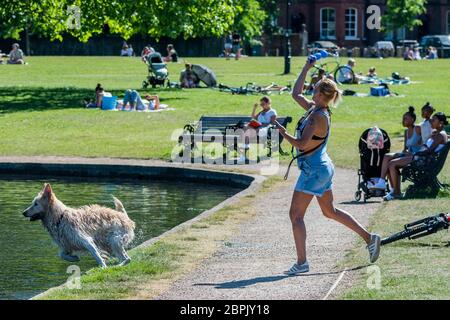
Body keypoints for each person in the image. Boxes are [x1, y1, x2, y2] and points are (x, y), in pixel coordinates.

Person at [274, 58, 381, 275]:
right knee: (329, 211)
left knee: (296, 215)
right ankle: (370, 238)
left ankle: (302, 263)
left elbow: (302, 144)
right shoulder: (316, 110)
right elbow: (295, 94)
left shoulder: (316, 117)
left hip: (314, 170)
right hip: (321, 167)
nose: (311, 90)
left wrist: (282, 133)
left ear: (322, 95)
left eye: (315, 89)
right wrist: (306, 67)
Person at [368, 107, 422, 199]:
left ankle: (395, 192)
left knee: (392, 163)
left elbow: (425, 141)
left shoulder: (418, 128)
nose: (403, 120)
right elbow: (406, 148)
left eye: (405, 118)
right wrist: (403, 153)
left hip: (417, 156)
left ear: (412, 119)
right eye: (403, 118)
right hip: (408, 155)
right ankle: (383, 183)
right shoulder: (406, 131)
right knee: (387, 156)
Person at [238, 96, 277, 162]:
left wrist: (261, 124)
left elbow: (272, 123)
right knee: (246, 127)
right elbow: (253, 118)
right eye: (261, 104)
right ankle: (244, 153)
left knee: (247, 132)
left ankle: (244, 151)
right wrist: (254, 108)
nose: (261, 106)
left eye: (263, 104)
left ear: (268, 103)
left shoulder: (272, 112)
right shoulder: (261, 112)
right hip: (257, 128)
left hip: (265, 130)